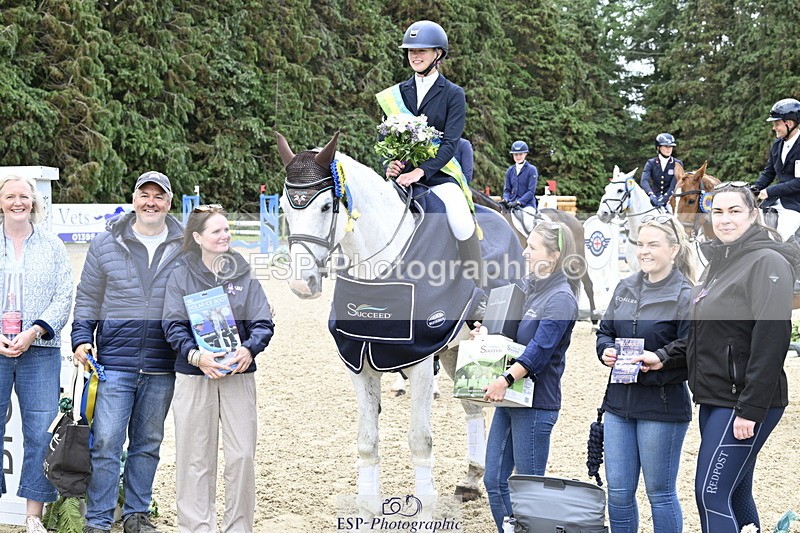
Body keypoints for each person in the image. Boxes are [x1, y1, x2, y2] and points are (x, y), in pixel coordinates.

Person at [642, 183, 800, 532]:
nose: (725, 220)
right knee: (736, 493)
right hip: (715, 398)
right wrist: (664, 358)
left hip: (741, 402)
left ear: (753, 214)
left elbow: (771, 339)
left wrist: (750, 409)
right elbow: (705, 336)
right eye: (717, 212)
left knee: (710, 496)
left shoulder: (767, 261)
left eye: (734, 211)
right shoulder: (719, 262)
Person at [71, 171, 183, 533]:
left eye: (159, 196)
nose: (151, 202)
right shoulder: (106, 244)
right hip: (114, 363)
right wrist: (80, 337)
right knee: (105, 442)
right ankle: (99, 519)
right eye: (144, 194)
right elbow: (87, 298)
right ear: (134, 199)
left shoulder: (186, 246)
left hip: (164, 363)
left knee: (148, 444)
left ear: (169, 202)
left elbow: (211, 289)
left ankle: (136, 514)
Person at [162, 204, 274, 533]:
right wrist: (196, 356)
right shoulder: (180, 273)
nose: (224, 235)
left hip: (239, 374)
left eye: (227, 229)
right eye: (216, 231)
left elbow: (262, 321)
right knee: (195, 458)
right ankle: (196, 527)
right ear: (197, 237)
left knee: (242, 457)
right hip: (195, 374)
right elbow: (172, 324)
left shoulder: (243, 271)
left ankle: (238, 527)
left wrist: (250, 349)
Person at [595, 215, 695, 532]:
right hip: (619, 403)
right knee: (620, 493)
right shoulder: (625, 287)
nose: (644, 251)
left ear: (674, 249)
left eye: (653, 244)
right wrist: (605, 349)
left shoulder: (686, 294)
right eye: (640, 244)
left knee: (660, 494)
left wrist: (661, 356)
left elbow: (694, 344)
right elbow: (604, 331)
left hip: (661, 404)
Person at [477, 221, 579, 532]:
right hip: (511, 397)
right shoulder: (528, 287)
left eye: (533, 248)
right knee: (494, 479)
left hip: (535, 403)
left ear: (555, 255)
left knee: (529, 488)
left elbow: (539, 350)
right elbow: (509, 333)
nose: (525, 252)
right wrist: (484, 333)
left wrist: (504, 380)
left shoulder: (561, 298)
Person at [378, 20, 482, 283]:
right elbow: (389, 141)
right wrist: (390, 164)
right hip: (401, 176)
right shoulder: (397, 94)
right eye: (411, 50)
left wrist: (421, 172)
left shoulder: (453, 94)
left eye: (422, 50)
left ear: (438, 54)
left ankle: (476, 285)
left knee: (461, 218)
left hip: (439, 175)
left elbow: (450, 144)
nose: (415, 55)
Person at [0, 175, 72, 533]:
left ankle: (33, 516)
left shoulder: (53, 245)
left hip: (40, 349)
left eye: (23, 196)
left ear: (33, 201)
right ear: (1, 202)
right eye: (10, 196)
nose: (18, 202)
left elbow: (64, 295)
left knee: (40, 433)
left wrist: (34, 331)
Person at [750, 98, 800, 241]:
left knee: (782, 238)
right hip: (775, 200)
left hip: (795, 205)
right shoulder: (777, 145)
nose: (774, 128)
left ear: (789, 123)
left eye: (777, 124)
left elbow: (798, 182)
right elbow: (769, 172)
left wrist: (770, 191)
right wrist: (754, 188)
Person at [641, 133, 683, 209]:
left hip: (671, 199)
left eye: (671, 147)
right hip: (654, 198)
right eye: (666, 146)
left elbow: (675, 183)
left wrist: (665, 198)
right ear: (658, 147)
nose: (669, 149)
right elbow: (644, 181)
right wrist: (651, 194)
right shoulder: (651, 163)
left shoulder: (677, 164)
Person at [501, 140, 539, 210]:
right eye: (516, 154)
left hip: (527, 205)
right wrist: (506, 199)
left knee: (527, 220)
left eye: (520, 154)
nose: (518, 157)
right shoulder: (510, 170)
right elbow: (507, 190)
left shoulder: (532, 170)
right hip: (511, 204)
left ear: (525, 154)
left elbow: (531, 191)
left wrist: (519, 202)